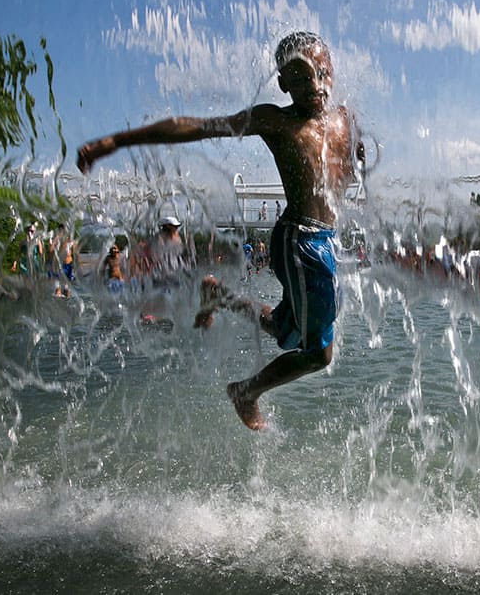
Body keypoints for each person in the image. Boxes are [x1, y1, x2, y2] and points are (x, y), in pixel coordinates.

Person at [77, 31, 365, 430]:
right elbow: (198, 126)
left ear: (332, 70)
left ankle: (218, 294)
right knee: (318, 355)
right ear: (283, 83)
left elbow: (354, 162)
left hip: (322, 241)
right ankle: (246, 392)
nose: (314, 85)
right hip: (301, 242)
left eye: (321, 72)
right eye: (300, 78)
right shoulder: (277, 121)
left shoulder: (345, 119)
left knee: (286, 332)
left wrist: (361, 158)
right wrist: (117, 141)